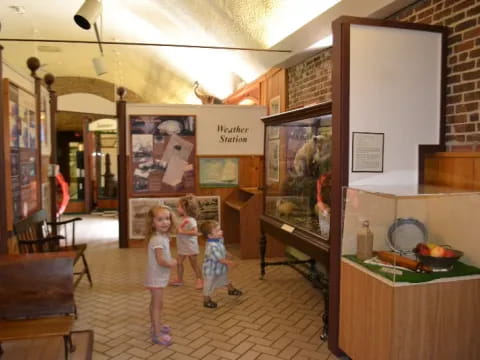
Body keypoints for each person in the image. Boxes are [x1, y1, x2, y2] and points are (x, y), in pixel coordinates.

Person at [144, 205, 177, 346]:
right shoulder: (157, 240)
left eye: (167, 218)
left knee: (156, 304)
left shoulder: (162, 236)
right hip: (156, 278)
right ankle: (157, 334)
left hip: (157, 276)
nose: (165, 222)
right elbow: (160, 260)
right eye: (160, 219)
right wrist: (171, 263)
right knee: (157, 305)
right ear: (152, 223)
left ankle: (155, 325)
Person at [199, 220, 242, 308]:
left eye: (220, 229)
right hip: (211, 270)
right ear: (210, 236)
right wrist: (231, 263)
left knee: (224, 278)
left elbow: (222, 249)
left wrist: (227, 253)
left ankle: (231, 290)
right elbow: (220, 259)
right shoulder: (212, 247)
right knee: (209, 285)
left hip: (219, 268)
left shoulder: (219, 239)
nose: (221, 231)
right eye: (218, 231)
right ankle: (206, 300)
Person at [169, 194, 203, 289]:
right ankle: (179, 280)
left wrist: (182, 231)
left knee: (194, 264)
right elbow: (178, 230)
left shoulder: (191, 220)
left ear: (185, 208)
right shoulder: (181, 219)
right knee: (179, 262)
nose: (177, 208)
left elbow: (195, 232)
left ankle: (200, 280)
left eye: (179, 206)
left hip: (191, 246)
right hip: (182, 246)